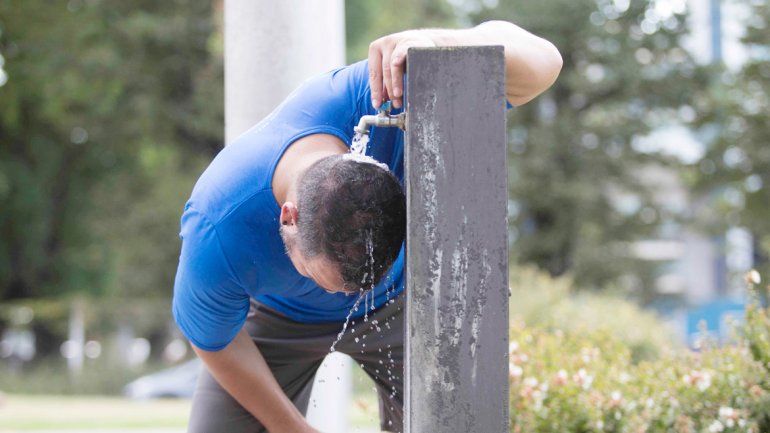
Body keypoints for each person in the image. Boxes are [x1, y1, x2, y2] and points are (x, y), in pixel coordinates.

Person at [172, 20, 562, 433]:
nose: (347, 298)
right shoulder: (217, 225)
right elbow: (214, 340)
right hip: (279, 315)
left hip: (397, 303)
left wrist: (440, 43)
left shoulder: (386, 96)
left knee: (460, 421)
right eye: (329, 281)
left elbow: (546, 64)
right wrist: (292, 428)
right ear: (289, 217)